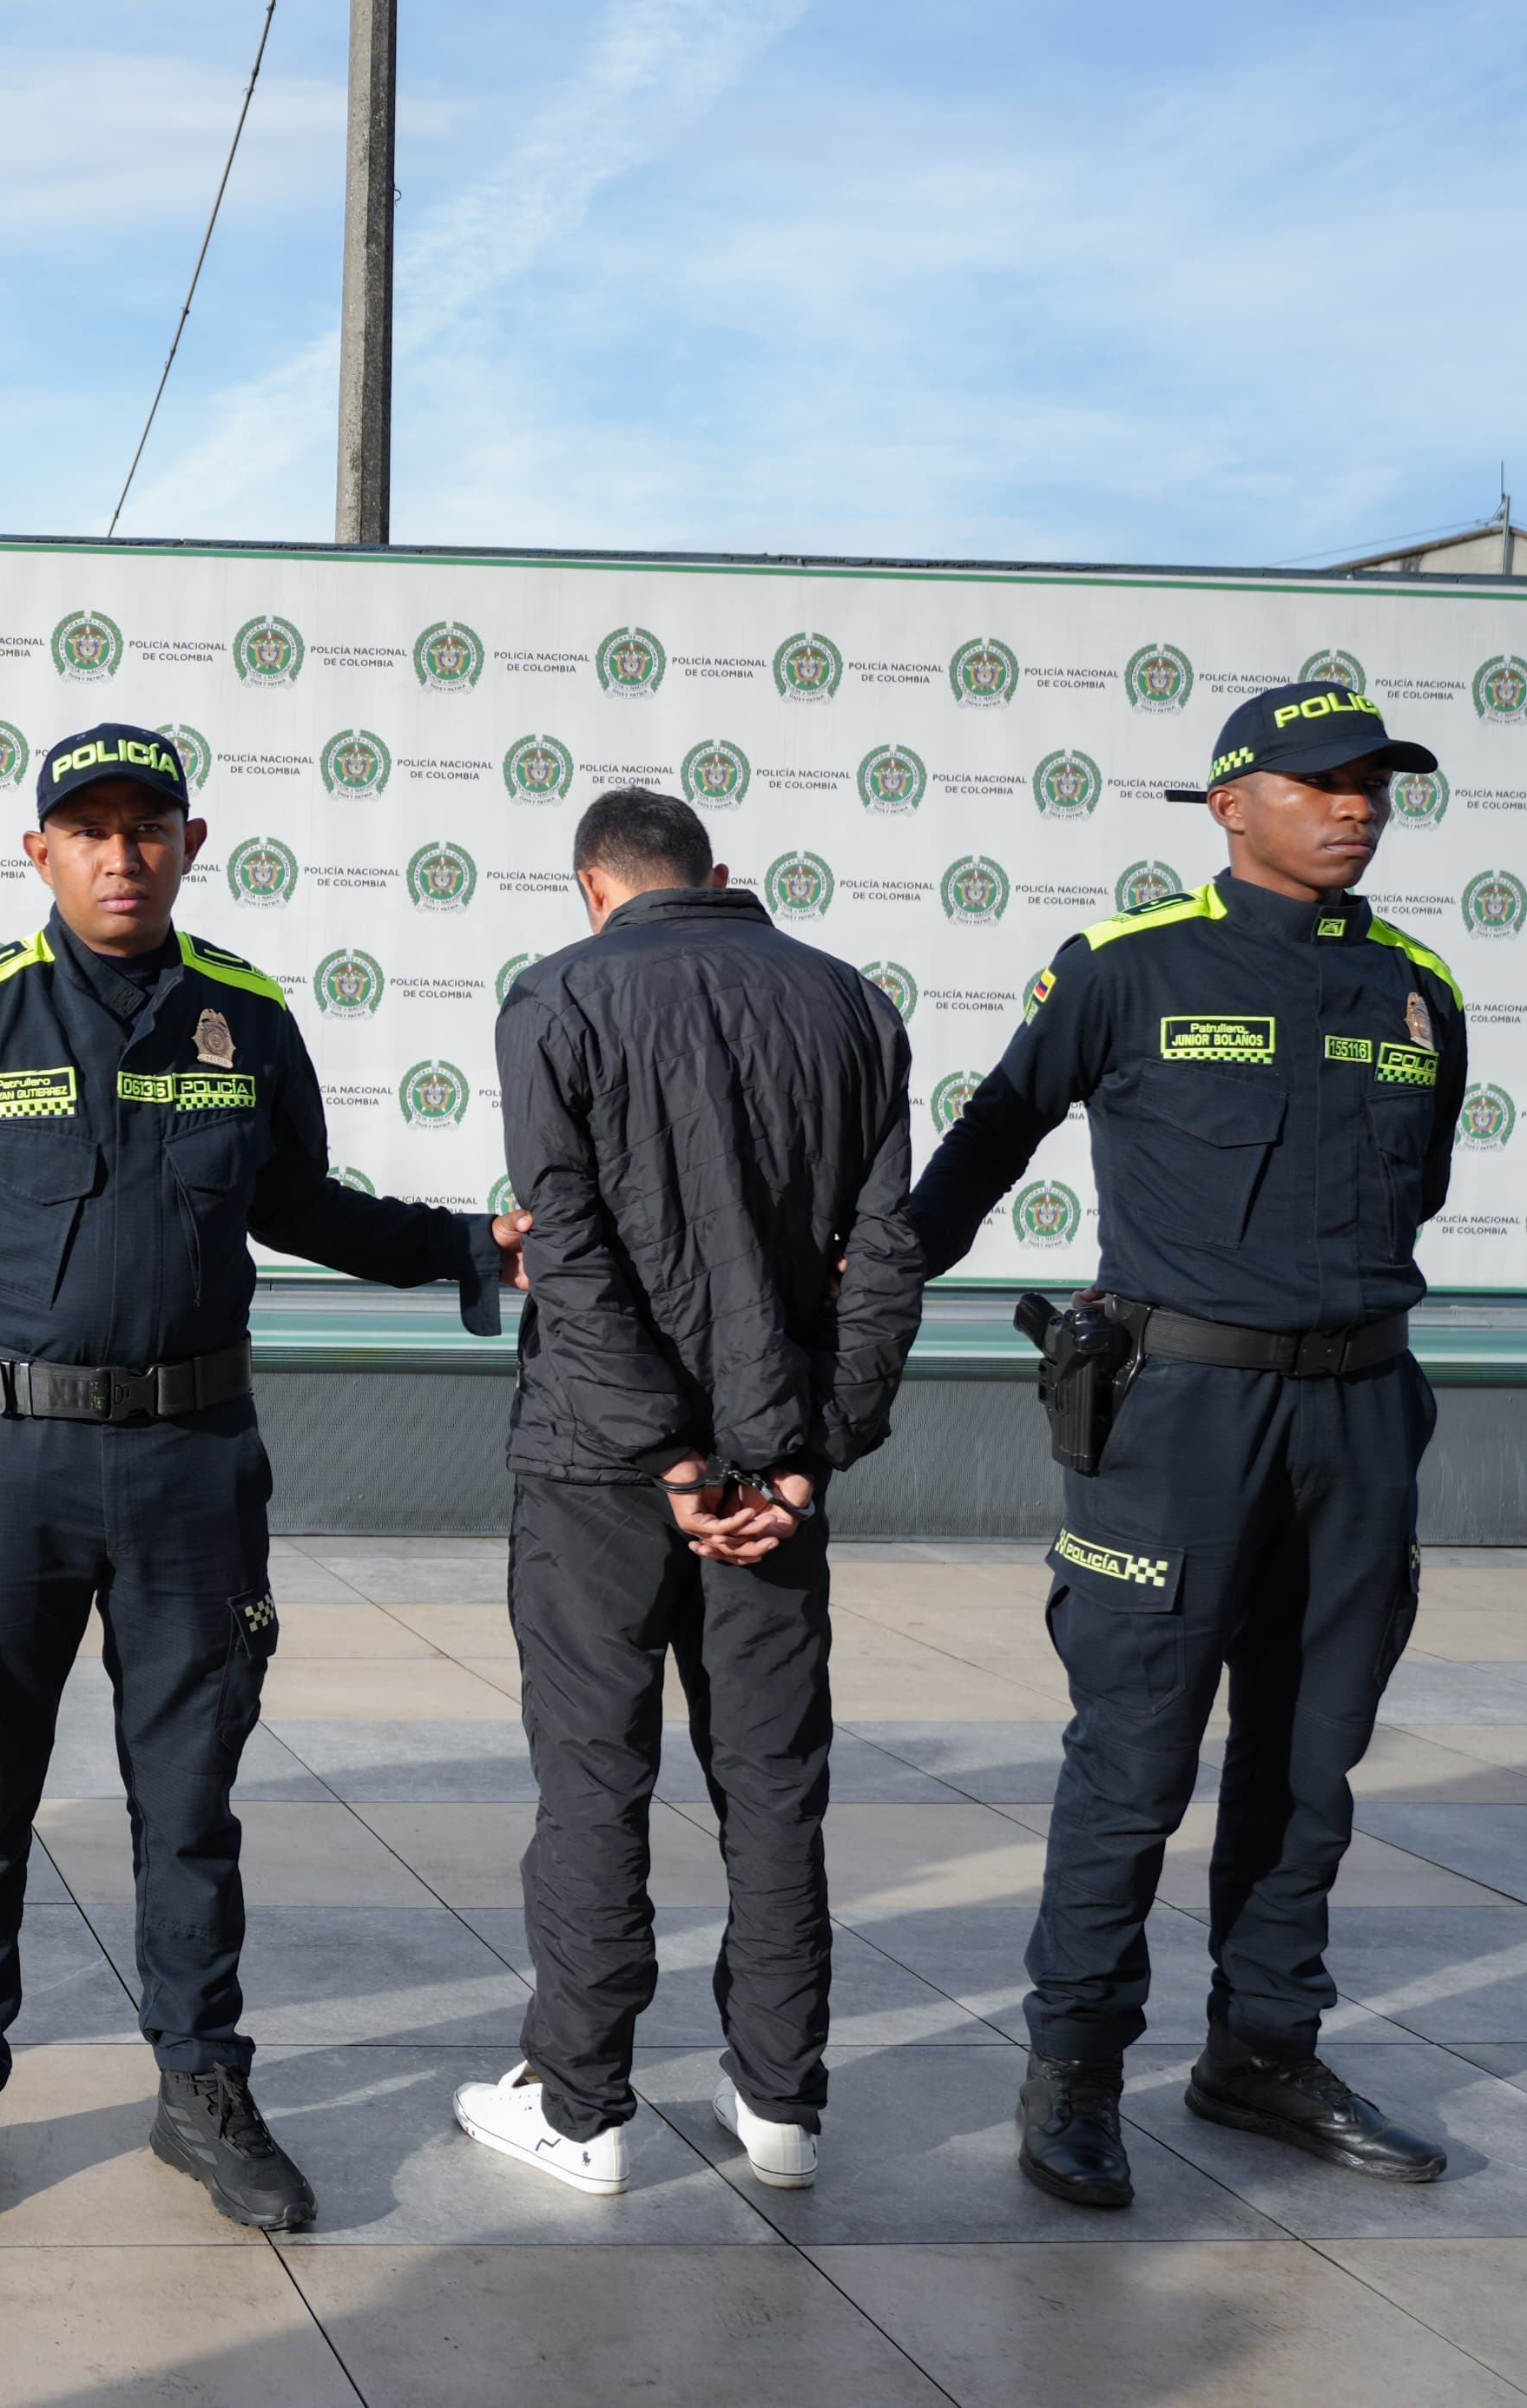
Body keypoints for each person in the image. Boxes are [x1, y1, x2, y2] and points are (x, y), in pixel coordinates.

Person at [0, 720, 523, 2233]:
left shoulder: (248, 1018)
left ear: (190, 844)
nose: (121, 851)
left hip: (195, 1468)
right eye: (88, 827)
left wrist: (463, 1244)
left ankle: (201, 2084)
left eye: (149, 824)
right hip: (13, 1467)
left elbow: (301, 1202)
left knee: (191, 1797)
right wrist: (16, 1338)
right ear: (40, 853)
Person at [911, 682, 1462, 2207]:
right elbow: (986, 1142)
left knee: (1311, 1758)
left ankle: (1262, 2050)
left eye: (1376, 784)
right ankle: (1075, 2071)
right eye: (1322, 782)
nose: (1357, 806)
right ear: (1232, 802)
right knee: (1136, 1754)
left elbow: (1411, 1197)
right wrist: (861, 1309)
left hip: (1360, 1412)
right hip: (1180, 1419)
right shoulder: (1127, 969)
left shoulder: (1418, 987)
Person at [452, 787, 925, 2197]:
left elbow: (574, 1255)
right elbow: (888, 1253)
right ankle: (782, 2103)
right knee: (773, 1785)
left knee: (596, 1776)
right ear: (718, 876)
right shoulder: (851, 1002)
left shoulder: (558, 994)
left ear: (593, 887)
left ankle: (584, 2105)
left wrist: (669, 1459)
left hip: (604, 1469)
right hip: (774, 1468)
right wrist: (798, 1456)